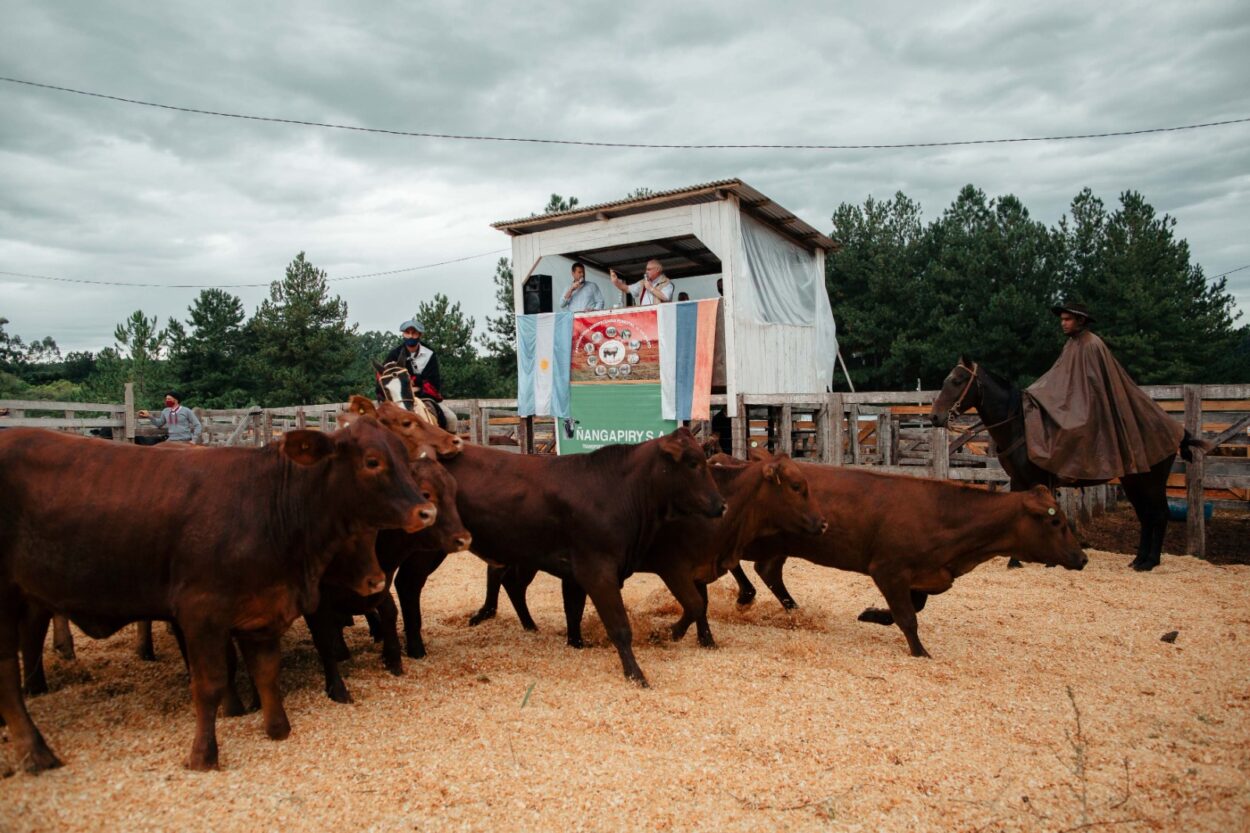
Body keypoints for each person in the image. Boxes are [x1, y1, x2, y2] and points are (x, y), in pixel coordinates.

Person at [1023, 299, 1184, 483]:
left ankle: (1075, 471)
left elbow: (1093, 386)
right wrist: (1036, 391)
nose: (1063, 323)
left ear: (1081, 320)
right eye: (1062, 319)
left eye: (1067, 319)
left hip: (1093, 406)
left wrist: (1071, 405)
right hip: (1076, 403)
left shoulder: (1091, 345)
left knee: (1073, 428)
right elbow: (1057, 376)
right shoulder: (1071, 344)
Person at [384, 318, 442, 401]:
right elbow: (385, 377)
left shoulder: (429, 354)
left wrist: (417, 386)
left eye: (414, 333)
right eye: (407, 333)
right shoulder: (394, 355)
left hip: (426, 397)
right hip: (399, 398)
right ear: (403, 334)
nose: (410, 336)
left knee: (449, 414)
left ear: (420, 335)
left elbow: (434, 382)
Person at [138, 390, 202, 443]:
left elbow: (197, 425)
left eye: (169, 399)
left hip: (185, 440)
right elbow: (159, 424)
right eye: (166, 399)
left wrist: (194, 440)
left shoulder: (186, 411)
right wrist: (149, 416)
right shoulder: (165, 411)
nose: (167, 400)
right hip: (171, 440)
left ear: (176, 400)